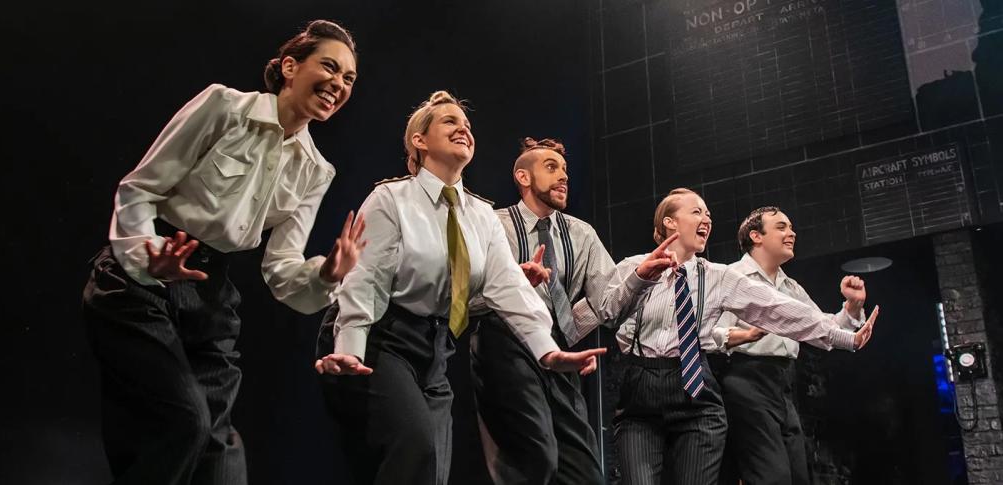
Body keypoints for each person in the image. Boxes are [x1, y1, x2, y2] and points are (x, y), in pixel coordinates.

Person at [82, 20, 363, 485]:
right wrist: (150, 258)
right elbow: (138, 190)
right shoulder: (224, 107)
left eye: (349, 78)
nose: (338, 84)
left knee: (220, 451)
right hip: (139, 283)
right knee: (182, 421)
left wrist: (327, 274)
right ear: (290, 67)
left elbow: (281, 270)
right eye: (329, 67)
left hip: (211, 299)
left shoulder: (315, 169)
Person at [315, 92, 605, 485]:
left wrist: (548, 351)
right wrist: (348, 346)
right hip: (379, 337)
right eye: (449, 122)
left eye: (466, 125)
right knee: (414, 447)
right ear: (419, 140)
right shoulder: (391, 199)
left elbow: (511, 290)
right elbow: (365, 281)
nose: (463, 129)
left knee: (434, 468)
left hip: (435, 347)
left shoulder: (481, 215)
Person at [593, 188, 879, 485]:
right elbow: (607, 312)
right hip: (647, 389)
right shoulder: (632, 266)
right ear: (670, 223)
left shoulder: (719, 277)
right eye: (696, 212)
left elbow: (783, 311)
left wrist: (847, 337)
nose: (706, 218)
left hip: (699, 391)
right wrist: (640, 278)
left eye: (708, 214)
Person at [470, 137, 611, 484]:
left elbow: (607, 298)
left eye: (564, 169)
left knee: (585, 473)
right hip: (505, 344)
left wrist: (570, 326)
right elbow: (462, 298)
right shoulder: (493, 224)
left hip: (559, 349)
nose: (563, 176)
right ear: (523, 177)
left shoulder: (581, 233)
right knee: (535, 459)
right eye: (551, 168)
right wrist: (512, 285)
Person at [711, 207, 872, 485]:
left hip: (783, 383)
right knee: (771, 477)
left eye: (791, 227)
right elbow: (709, 333)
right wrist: (745, 334)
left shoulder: (790, 286)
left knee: (798, 477)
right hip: (745, 379)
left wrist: (852, 308)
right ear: (756, 236)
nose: (792, 233)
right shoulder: (731, 277)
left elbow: (819, 326)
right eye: (782, 227)